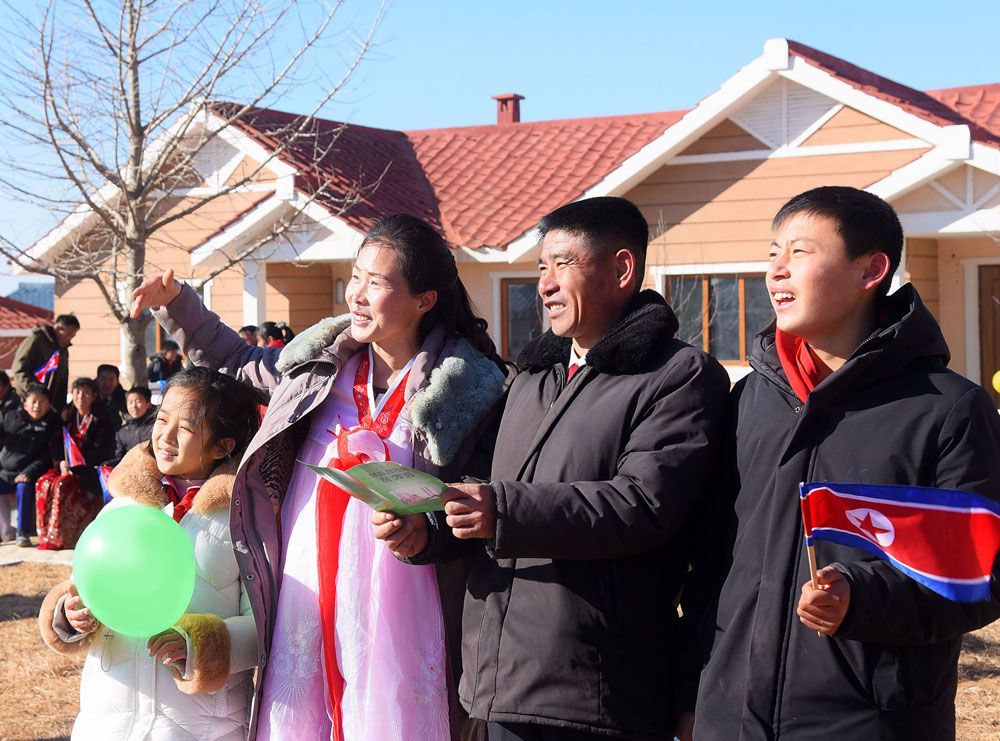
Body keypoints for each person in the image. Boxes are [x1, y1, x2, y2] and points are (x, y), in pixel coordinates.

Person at [131, 213, 509, 740]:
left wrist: (430, 530)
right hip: (307, 586)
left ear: (425, 300)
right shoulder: (318, 366)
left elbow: (480, 498)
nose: (356, 294)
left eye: (376, 283)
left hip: (405, 596)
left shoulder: (469, 390)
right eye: (355, 276)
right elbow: (238, 361)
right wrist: (178, 302)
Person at [385, 197, 729, 741]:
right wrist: (425, 530)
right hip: (501, 675)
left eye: (563, 264)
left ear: (622, 269)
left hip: (595, 683)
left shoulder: (679, 375)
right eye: (542, 266)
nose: (544, 284)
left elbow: (641, 505)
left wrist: (500, 509)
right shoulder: (532, 375)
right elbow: (490, 488)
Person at [693, 186, 1000, 740]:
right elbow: (711, 559)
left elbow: (981, 573)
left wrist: (860, 599)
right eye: (772, 253)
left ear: (871, 270)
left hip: (870, 720)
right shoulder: (748, 399)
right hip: (729, 717)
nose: (776, 271)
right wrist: (690, 691)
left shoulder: (949, 408)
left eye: (800, 252)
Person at [39, 367, 261, 739]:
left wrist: (200, 645)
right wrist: (69, 614)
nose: (166, 436)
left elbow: (263, 625)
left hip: (201, 725)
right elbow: (82, 585)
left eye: (187, 428)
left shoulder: (242, 519)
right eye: (162, 420)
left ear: (224, 446)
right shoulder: (122, 507)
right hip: (109, 720)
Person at [0, 384, 60, 546]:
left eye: (42, 402)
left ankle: (22, 532)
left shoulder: (53, 425)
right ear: (25, 403)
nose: (37, 406)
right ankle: (4, 532)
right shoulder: (10, 417)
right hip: (5, 471)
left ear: (49, 404)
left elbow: (47, 457)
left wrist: (29, 472)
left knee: (23, 487)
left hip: (29, 474)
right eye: (33, 402)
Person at [58, 377, 116, 502]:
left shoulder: (102, 419)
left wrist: (78, 466)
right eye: (77, 392)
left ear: (94, 396)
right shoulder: (65, 416)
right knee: (47, 482)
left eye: (86, 393)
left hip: (90, 467)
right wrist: (61, 462)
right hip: (66, 466)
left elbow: (101, 448)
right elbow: (56, 443)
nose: (80, 397)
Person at [11, 314, 78, 409]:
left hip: (51, 405)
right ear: (58, 328)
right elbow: (19, 370)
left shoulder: (63, 350)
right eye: (68, 335)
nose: (69, 340)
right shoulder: (36, 340)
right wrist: (36, 393)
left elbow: (62, 380)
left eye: (72, 336)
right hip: (30, 402)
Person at [104, 386, 156, 467]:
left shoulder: (156, 427)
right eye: (130, 402)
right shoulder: (122, 432)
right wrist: (106, 464)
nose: (134, 406)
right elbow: (120, 459)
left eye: (138, 401)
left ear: (148, 404)